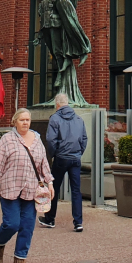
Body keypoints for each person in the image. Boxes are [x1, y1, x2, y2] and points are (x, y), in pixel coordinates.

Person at [0, 108, 54, 263]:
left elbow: (43, 164)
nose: (25, 123)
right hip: (10, 188)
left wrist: (50, 182)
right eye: (22, 120)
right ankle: (0, 245)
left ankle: (20, 261)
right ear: (15, 122)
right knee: (11, 223)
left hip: (31, 190)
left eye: (28, 120)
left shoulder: (37, 140)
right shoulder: (7, 140)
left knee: (27, 226)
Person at [40, 93, 87, 232]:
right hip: (75, 159)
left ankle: (50, 219)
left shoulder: (54, 118)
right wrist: (79, 153)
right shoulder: (79, 119)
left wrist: (54, 154)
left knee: (53, 187)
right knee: (76, 191)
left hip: (61, 158)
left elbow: (50, 140)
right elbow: (84, 139)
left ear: (57, 105)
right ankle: (78, 222)